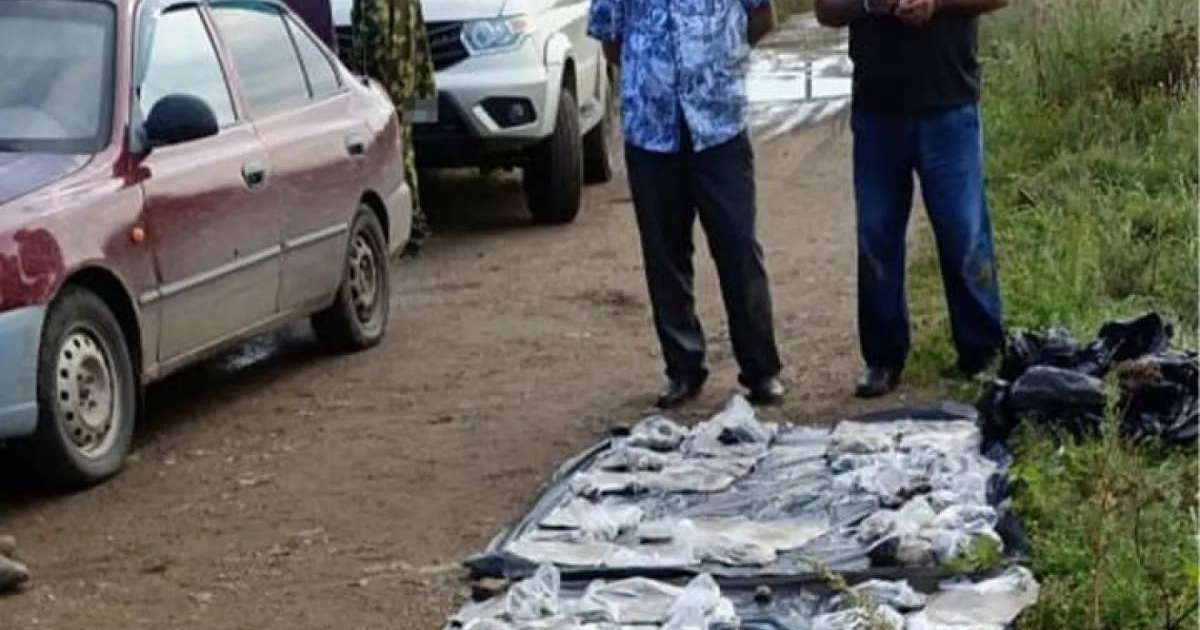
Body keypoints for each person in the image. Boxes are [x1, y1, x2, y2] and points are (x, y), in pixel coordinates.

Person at [588, 0, 786, 408]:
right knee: (665, 256)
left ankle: (761, 370)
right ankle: (683, 368)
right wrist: (656, 70)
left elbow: (762, 16)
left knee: (738, 247)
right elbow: (610, 39)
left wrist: (719, 58)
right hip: (650, 127)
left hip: (719, 122)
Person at [815, 0, 1009, 399]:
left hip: (950, 102)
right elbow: (826, 9)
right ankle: (883, 359)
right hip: (876, 110)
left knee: (964, 235)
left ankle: (982, 354)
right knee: (877, 238)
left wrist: (935, 4)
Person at [350, 0, 436, 252]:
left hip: (384, 86)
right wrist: (426, 90)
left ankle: (407, 225)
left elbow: (370, 42)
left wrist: (361, 82)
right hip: (408, 80)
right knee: (406, 150)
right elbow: (421, 41)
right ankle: (415, 222)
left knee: (391, 153)